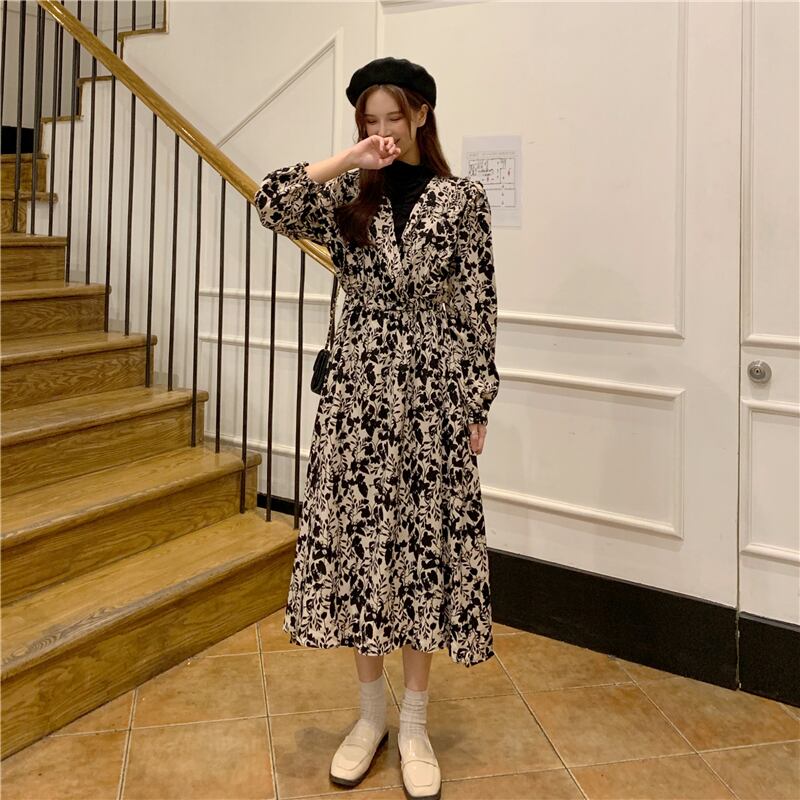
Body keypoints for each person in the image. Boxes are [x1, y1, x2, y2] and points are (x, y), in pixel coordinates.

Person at [254, 56, 500, 800]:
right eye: (370, 120)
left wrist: (476, 401)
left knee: (424, 549)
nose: (384, 130)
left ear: (422, 113)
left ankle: (414, 723)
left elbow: (478, 304)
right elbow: (270, 199)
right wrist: (349, 160)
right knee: (360, 549)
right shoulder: (347, 194)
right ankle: (369, 718)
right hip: (357, 394)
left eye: (394, 116)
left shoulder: (462, 200)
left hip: (431, 395)